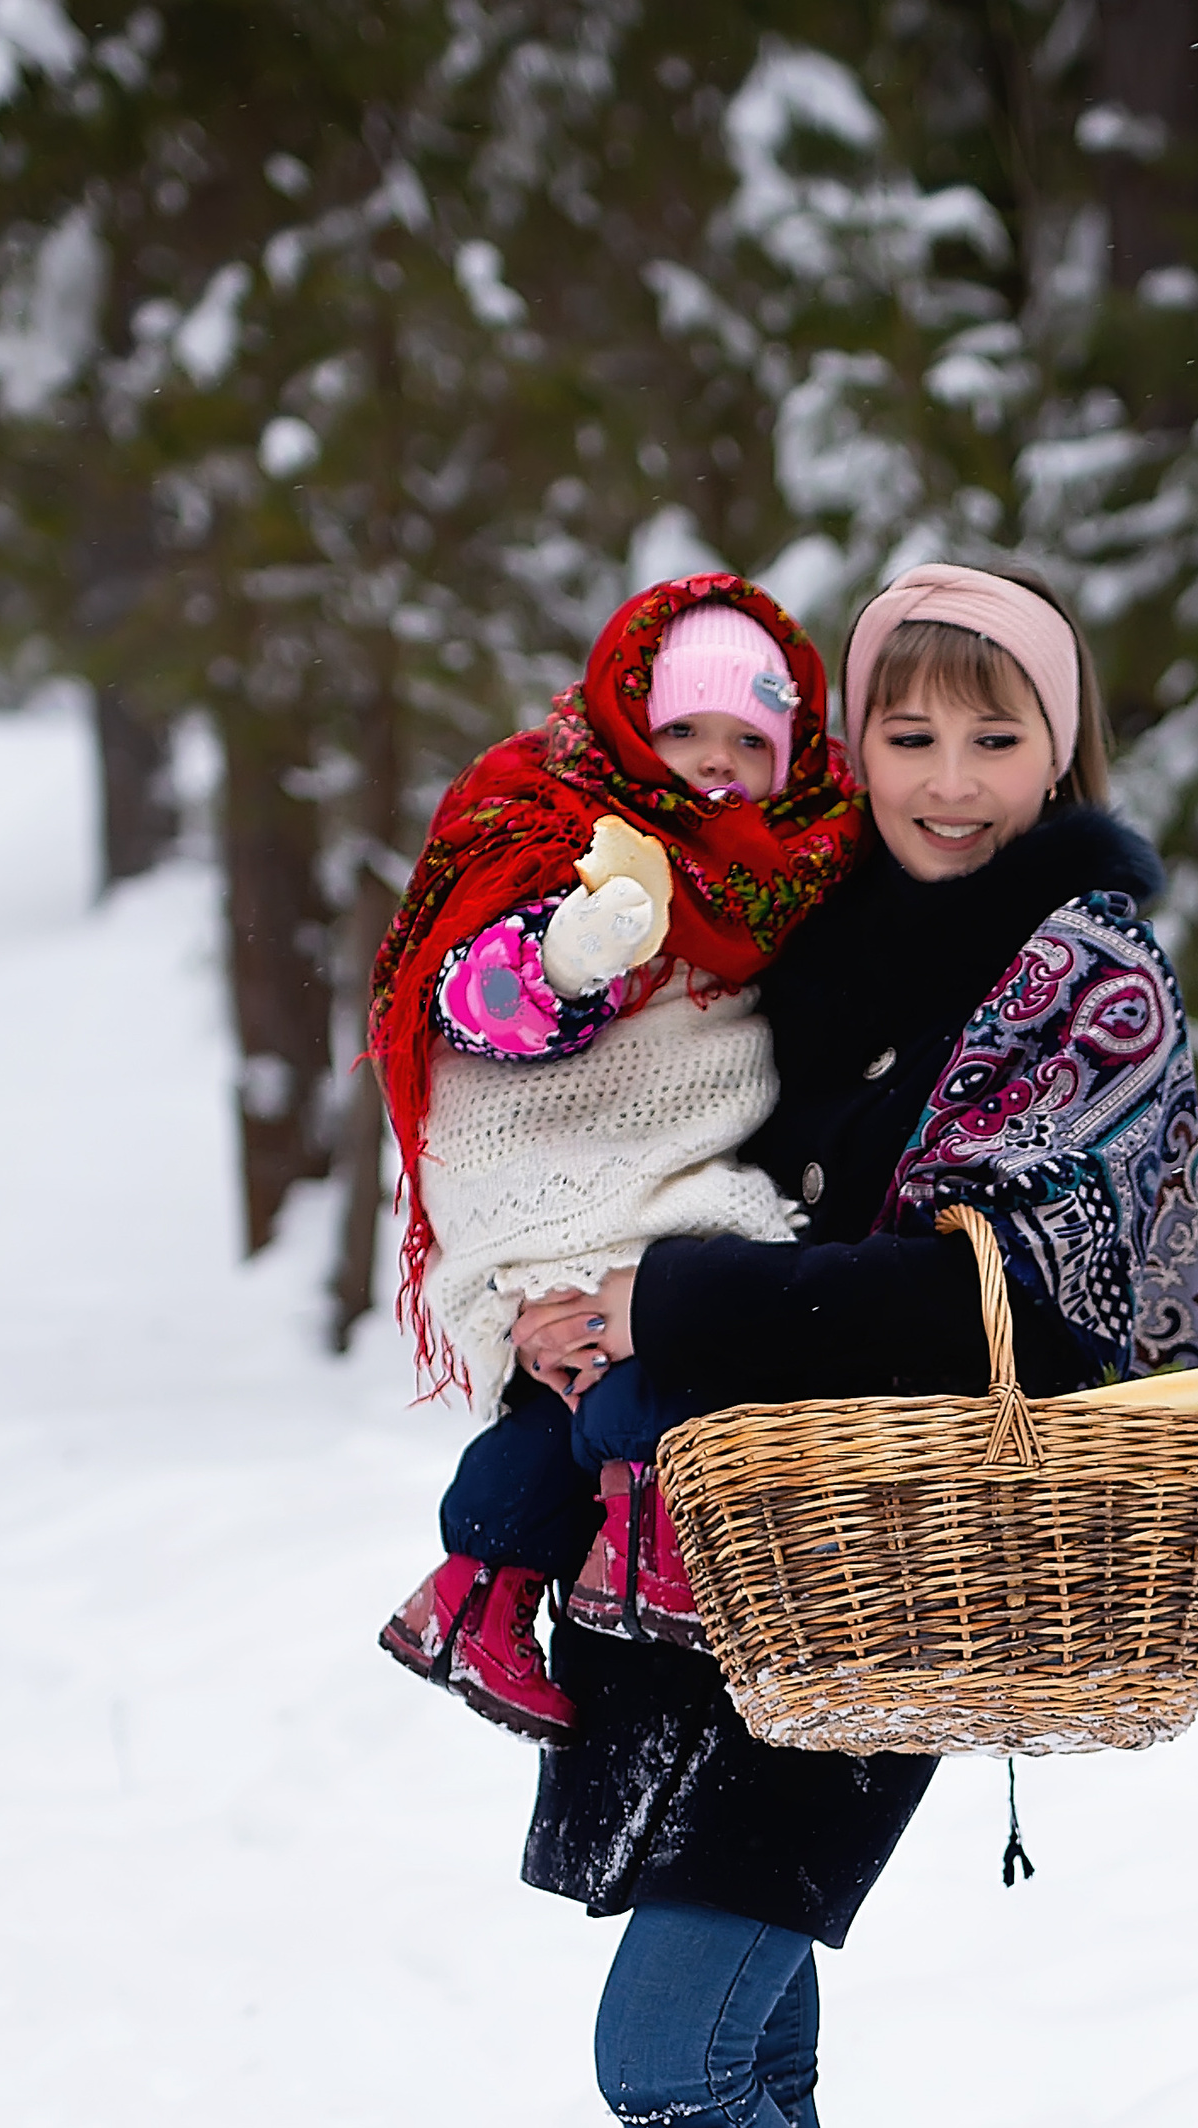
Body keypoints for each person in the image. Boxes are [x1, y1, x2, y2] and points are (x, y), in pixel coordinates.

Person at [504, 561, 1198, 2128]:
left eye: (997, 735)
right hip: (716, 1554)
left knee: (668, 2055)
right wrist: (577, 1292)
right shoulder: (790, 945)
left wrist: (684, 1302)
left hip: (909, 1556)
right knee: (760, 2035)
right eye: (906, 734)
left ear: (1061, 747)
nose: (950, 779)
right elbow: (680, 1172)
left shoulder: (1090, 983)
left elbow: (1019, 1302)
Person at [369, 576, 859, 1740]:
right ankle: (648, 1544)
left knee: (553, 1413)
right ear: (636, 724)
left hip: (676, 1166)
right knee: (679, 1352)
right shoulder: (554, 818)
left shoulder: (794, 861)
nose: (716, 764)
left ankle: (478, 1592)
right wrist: (569, 959)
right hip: (551, 1171)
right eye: (685, 730)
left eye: (751, 739)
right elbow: (465, 999)